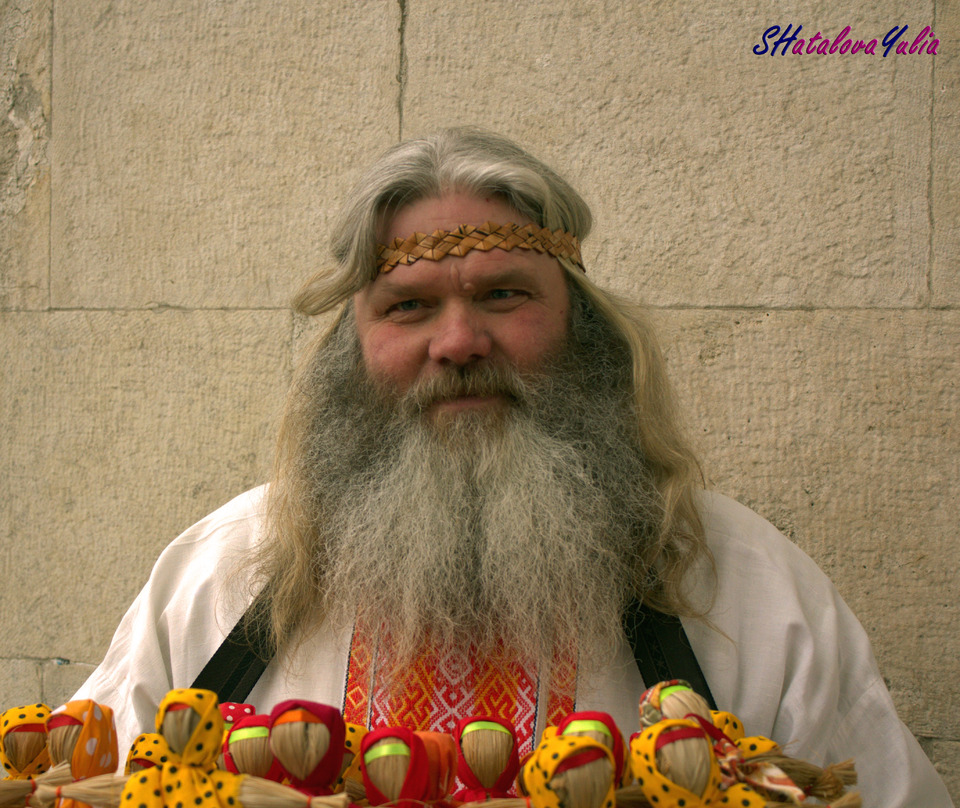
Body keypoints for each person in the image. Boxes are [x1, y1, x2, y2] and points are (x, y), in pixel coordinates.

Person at [74, 128, 953, 806]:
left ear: (584, 327)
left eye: (504, 294)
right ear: (353, 349)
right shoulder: (221, 571)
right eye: (409, 306)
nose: (458, 342)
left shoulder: (746, 584)